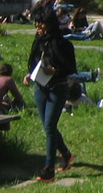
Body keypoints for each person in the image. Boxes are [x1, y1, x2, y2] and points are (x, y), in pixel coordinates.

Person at [23, 11, 77, 182]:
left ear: (50, 24)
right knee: (48, 127)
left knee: (49, 125)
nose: (38, 27)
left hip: (58, 87)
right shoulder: (39, 41)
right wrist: (29, 74)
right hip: (40, 87)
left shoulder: (63, 43)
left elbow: (70, 67)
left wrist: (55, 71)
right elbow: (35, 62)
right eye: (36, 24)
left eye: (41, 24)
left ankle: (49, 168)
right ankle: (66, 154)